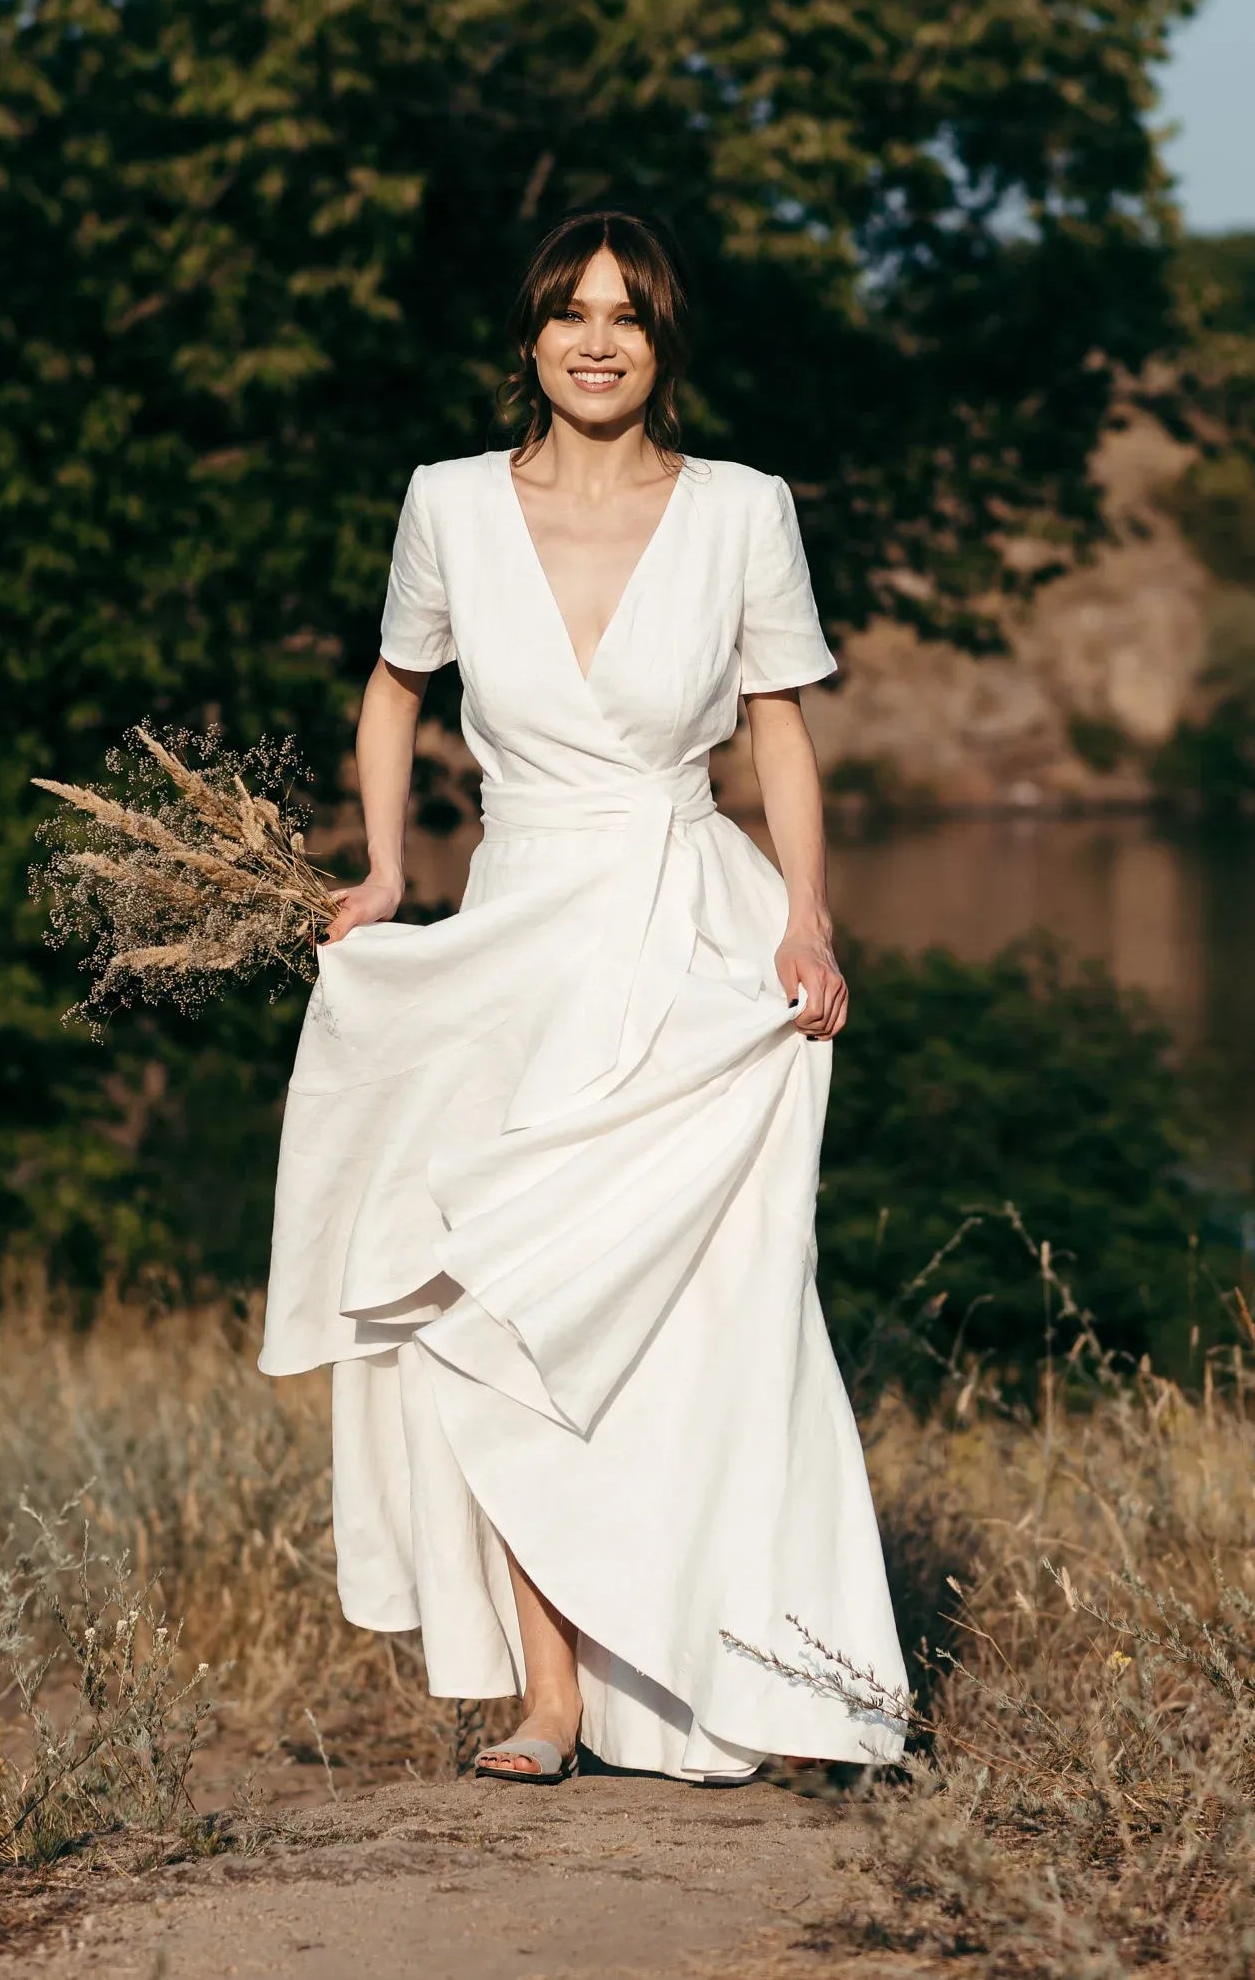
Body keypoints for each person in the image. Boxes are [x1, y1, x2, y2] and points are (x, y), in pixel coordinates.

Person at [256, 207, 909, 1786]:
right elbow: (396, 687)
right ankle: (549, 1699)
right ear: (532, 337)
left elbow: (778, 728)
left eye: (626, 313)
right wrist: (390, 872)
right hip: (520, 930)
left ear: (661, 340)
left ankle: (764, 1674)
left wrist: (807, 920)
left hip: (695, 931)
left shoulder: (746, 509)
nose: (597, 339)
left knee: (722, 1316)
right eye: (570, 312)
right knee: (502, 1311)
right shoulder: (450, 504)